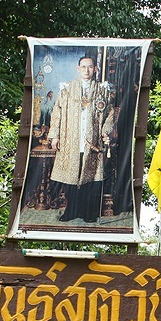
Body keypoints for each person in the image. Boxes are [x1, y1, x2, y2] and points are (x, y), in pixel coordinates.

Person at [47, 55, 115, 223]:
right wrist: (54, 135)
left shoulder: (101, 90)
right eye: (83, 67)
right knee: (71, 176)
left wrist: (105, 132)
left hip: (92, 141)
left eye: (90, 67)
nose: (87, 70)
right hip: (70, 140)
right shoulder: (67, 89)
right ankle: (71, 210)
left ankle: (87, 212)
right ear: (78, 69)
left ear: (95, 69)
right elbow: (56, 114)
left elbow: (110, 114)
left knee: (89, 177)